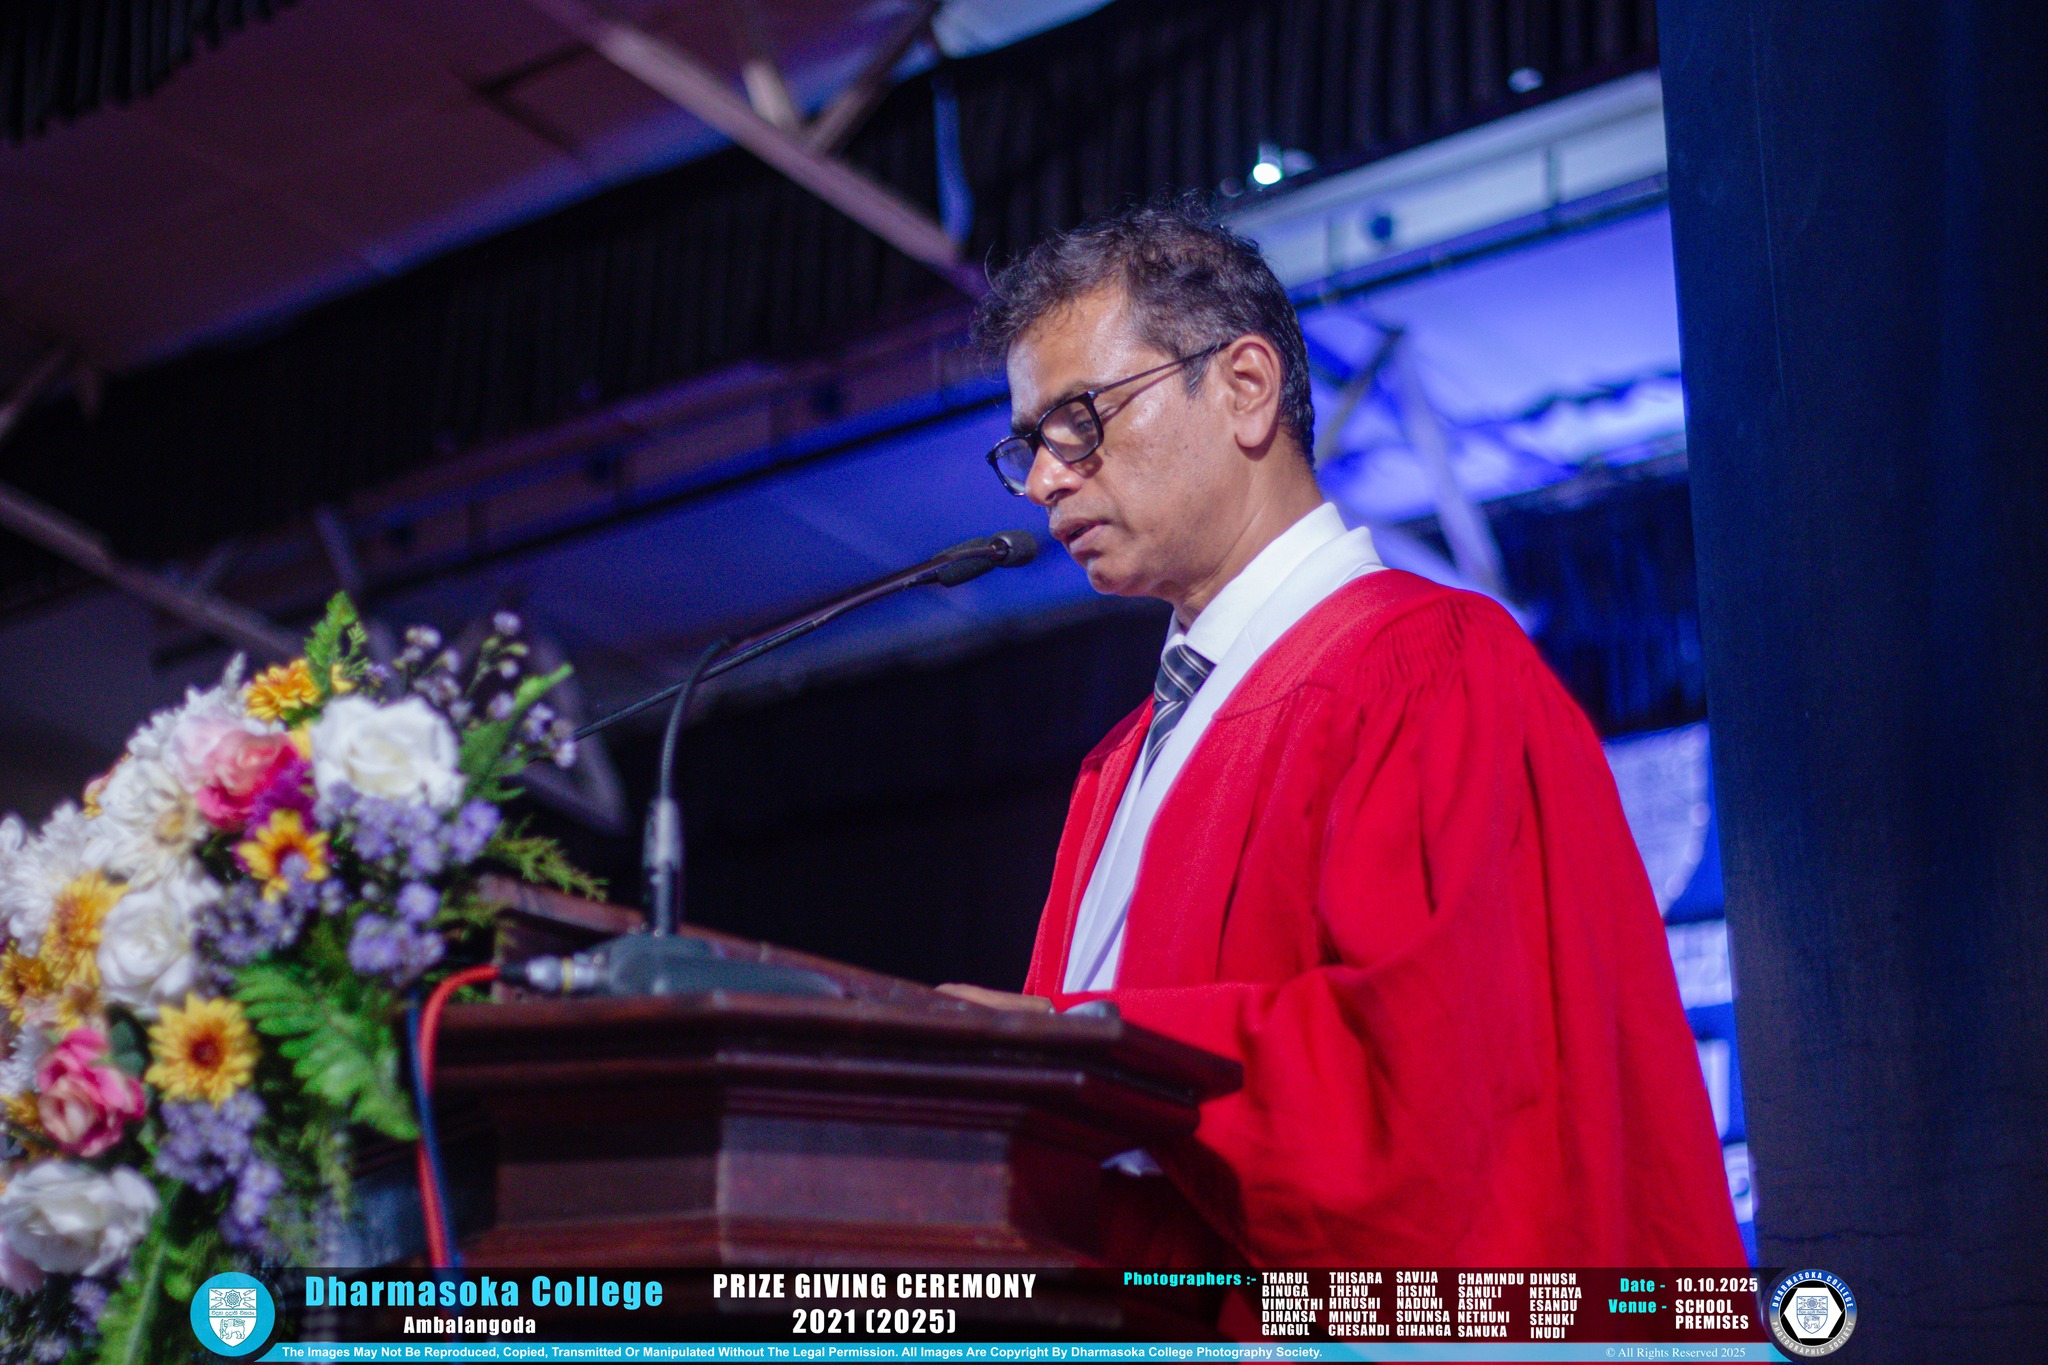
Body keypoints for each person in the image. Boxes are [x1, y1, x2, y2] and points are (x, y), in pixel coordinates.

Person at [938, 204, 1745, 1271]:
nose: (1046, 477)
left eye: (1079, 418)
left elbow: (1429, 1085)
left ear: (1244, 387)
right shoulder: (1118, 765)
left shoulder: (1425, 668)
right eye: (1029, 443)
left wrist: (1082, 1045)